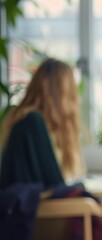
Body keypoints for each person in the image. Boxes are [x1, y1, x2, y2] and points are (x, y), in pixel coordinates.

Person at [0, 58, 85, 188]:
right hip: (37, 207)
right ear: (61, 93)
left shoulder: (25, 119)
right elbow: (55, 185)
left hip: (33, 205)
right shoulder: (32, 121)